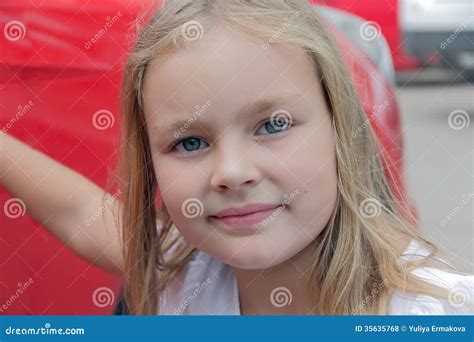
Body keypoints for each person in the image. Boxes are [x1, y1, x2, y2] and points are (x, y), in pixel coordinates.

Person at [1, 0, 473, 316]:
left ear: (340, 127)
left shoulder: (434, 310)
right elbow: (81, 212)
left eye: (273, 125)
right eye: (189, 143)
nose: (231, 172)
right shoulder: (186, 273)